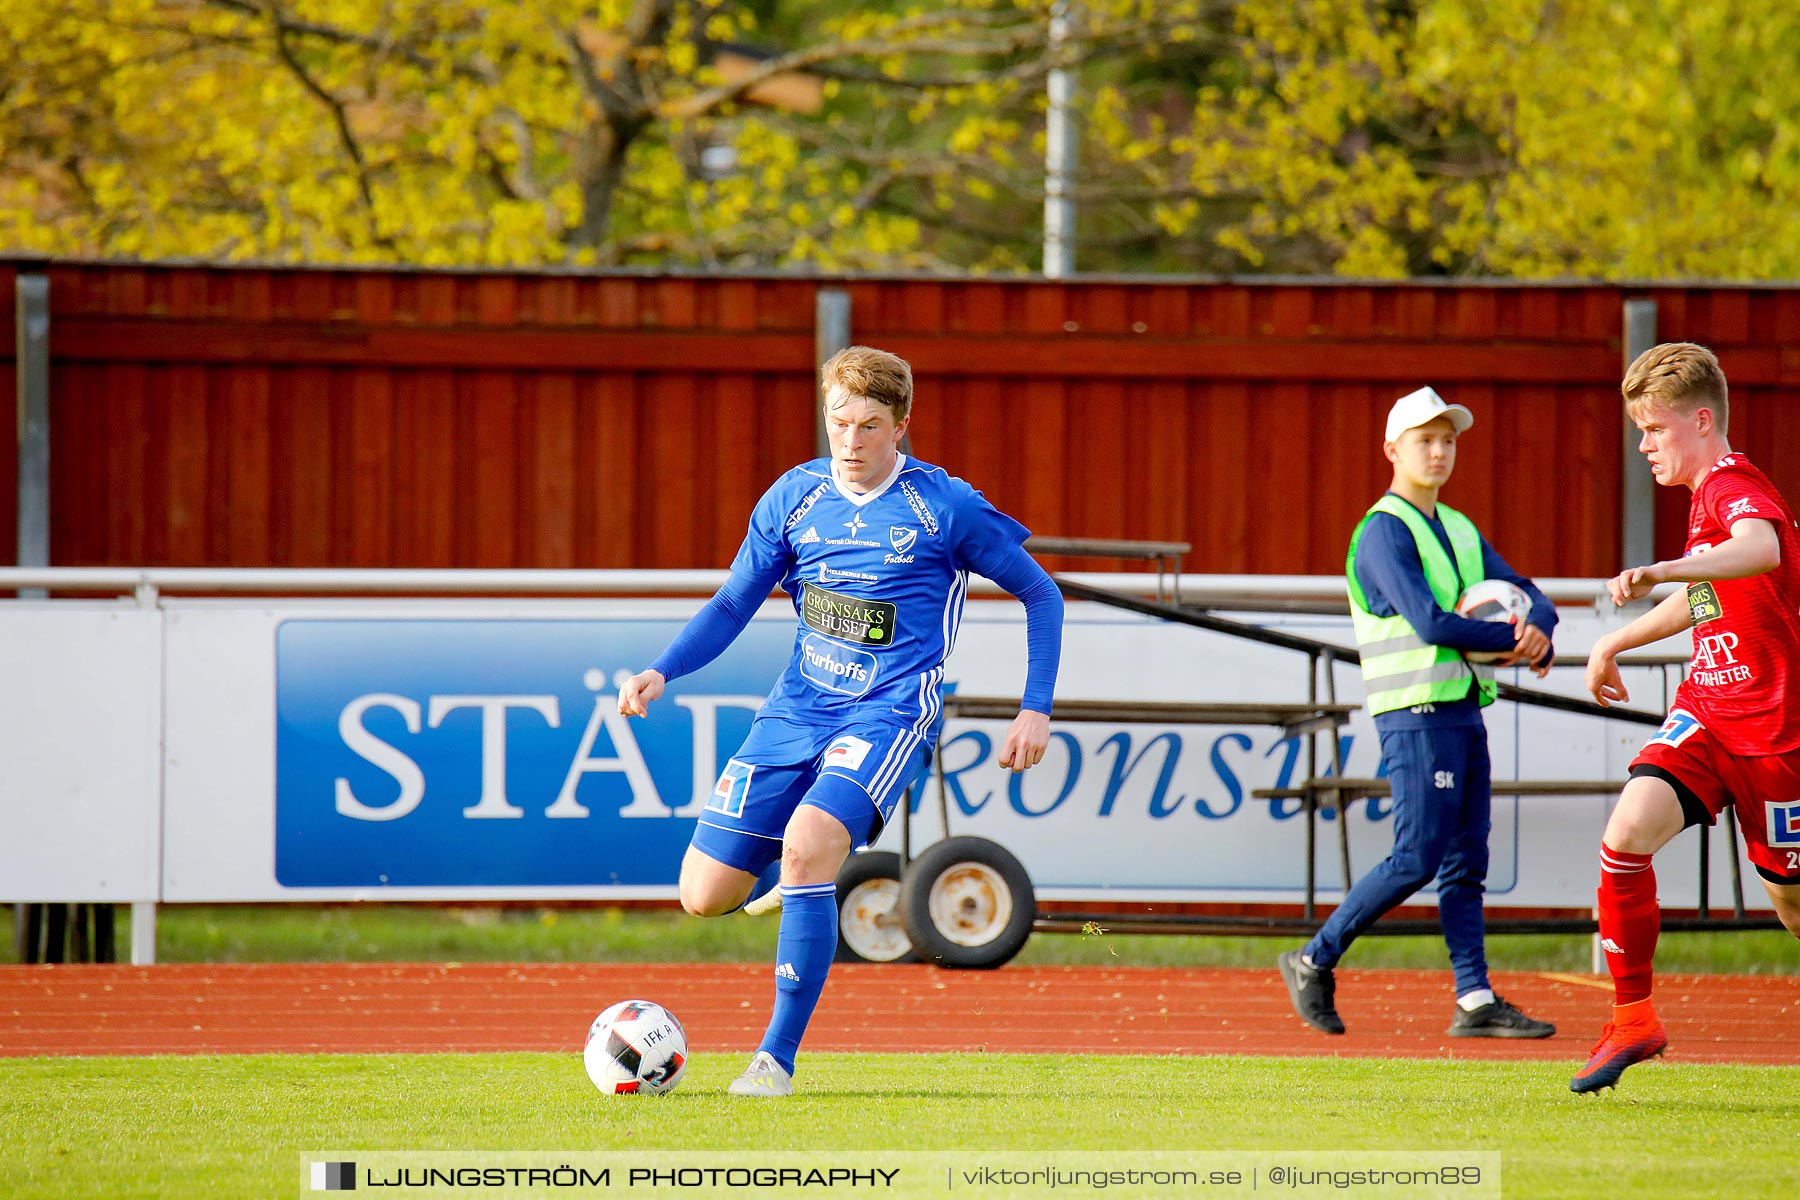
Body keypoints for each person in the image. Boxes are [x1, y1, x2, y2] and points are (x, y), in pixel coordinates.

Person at [617, 345, 1064, 1097]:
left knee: (809, 845)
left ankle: (774, 1061)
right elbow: (732, 604)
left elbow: (1042, 594)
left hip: (889, 712)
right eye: (839, 423)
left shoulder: (942, 507)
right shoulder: (793, 498)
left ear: (902, 427)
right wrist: (664, 669)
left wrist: (1035, 708)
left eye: (869, 426)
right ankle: (799, 878)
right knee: (702, 896)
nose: (851, 442)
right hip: (797, 709)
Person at [1278, 386, 1558, 1039]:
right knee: (1418, 857)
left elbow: (1531, 595)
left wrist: (1538, 629)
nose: (1438, 451)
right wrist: (1518, 639)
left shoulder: (1457, 527)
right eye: (1424, 440)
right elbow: (1431, 623)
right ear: (1392, 450)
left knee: (1466, 861)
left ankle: (1474, 1000)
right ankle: (1315, 958)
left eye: (1448, 440)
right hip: (1414, 715)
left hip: (1460, 710)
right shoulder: (1381, 531)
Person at [1574, 342, 1800, 1093]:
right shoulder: (1706, 503)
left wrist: (1661, 567)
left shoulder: (1733, 483)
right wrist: (1617, 640)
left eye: (1655, 429)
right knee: (1625, 836)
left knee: (1792, 906)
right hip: (1708, 712)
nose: (1643, 446)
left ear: (1702, 421)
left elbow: (1759, 549)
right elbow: (1713, 596)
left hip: (1777, 734)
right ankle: (1633, 1017)